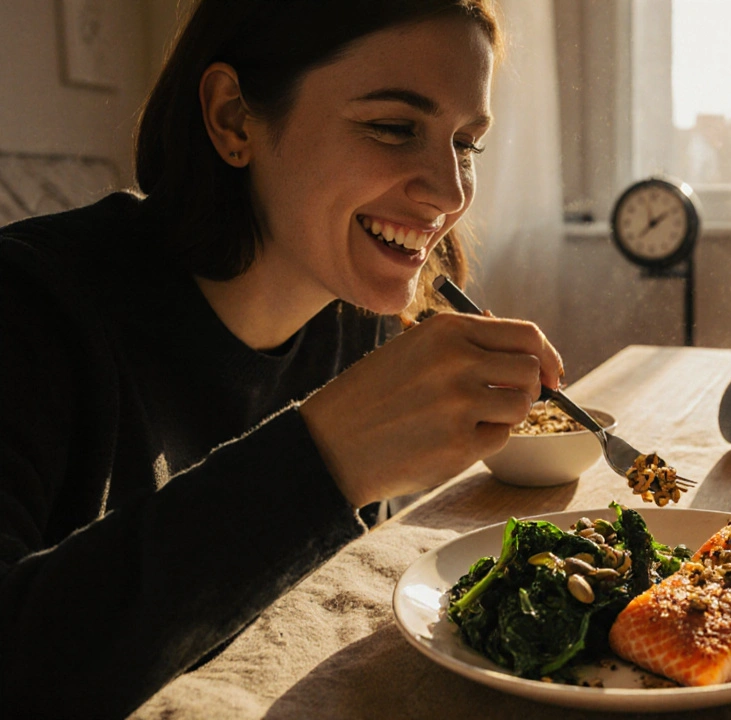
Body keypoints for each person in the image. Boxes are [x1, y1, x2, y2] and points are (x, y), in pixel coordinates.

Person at [0, 1, 561, 716]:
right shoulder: (26, 306)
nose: (451, 193)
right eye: (394, 128)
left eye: (467, 144)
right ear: (234, 118)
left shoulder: (357, 318)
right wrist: (327, 455)